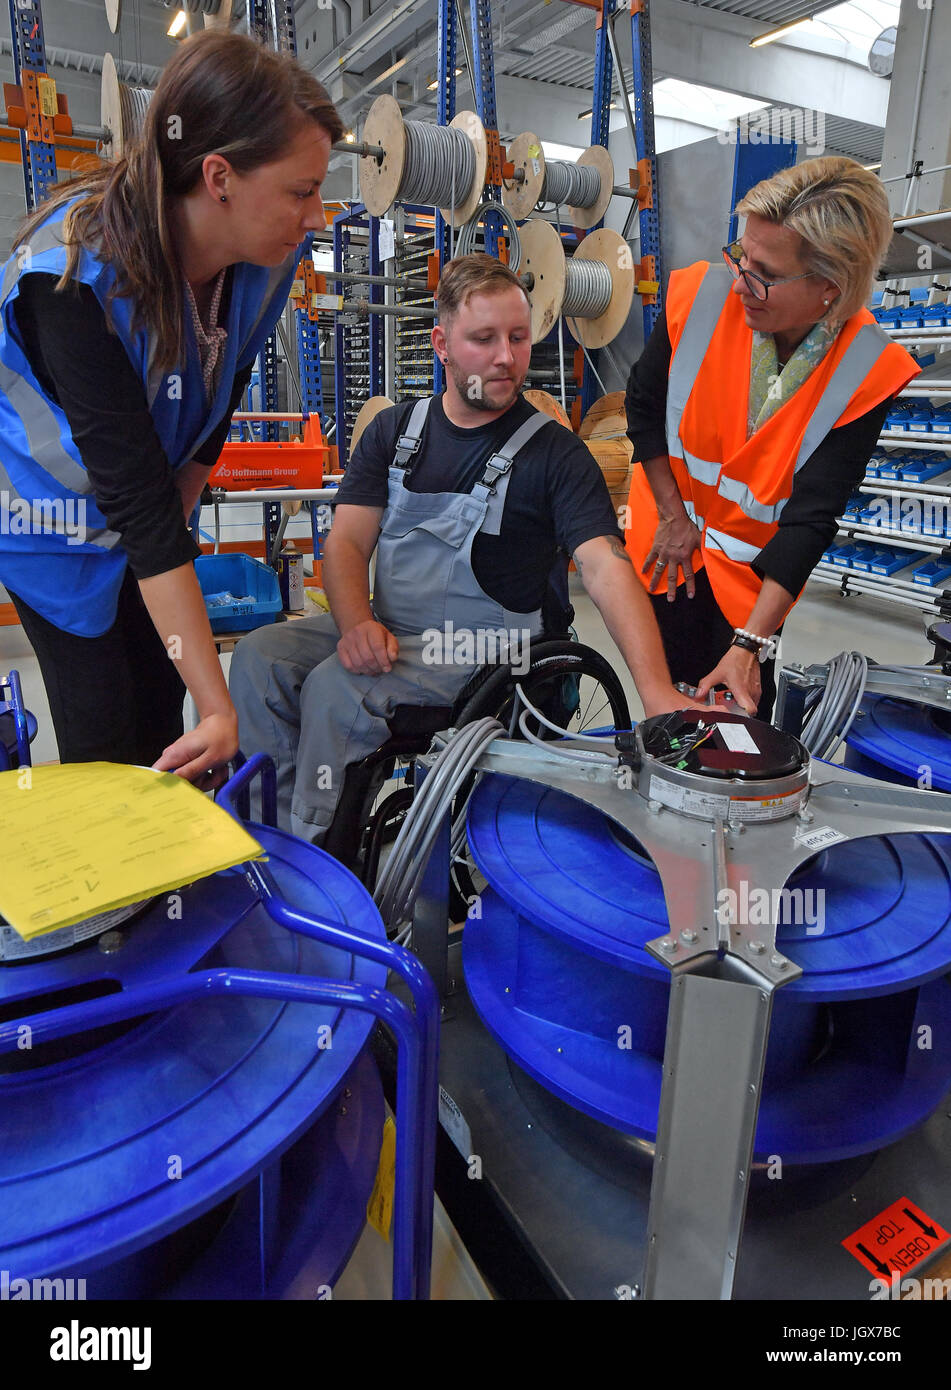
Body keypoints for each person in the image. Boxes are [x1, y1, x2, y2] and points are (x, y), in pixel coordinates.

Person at [230, 253, 693, 845]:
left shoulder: (555, 455)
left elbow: (604, 564)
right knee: (259, 657)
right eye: (484, 338)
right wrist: (355, 623)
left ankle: (321, 855)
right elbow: (345, 540)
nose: (507, 356)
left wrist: (654, 690)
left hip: (493, 653)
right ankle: (263, 833)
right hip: (397, 629)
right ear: (442, 343)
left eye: (519, 337)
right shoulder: (394, 433)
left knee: (336, 690)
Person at [0, 29, 340, 786]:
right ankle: (114, 898)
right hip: (48, 525)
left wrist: (188, 491)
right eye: (300, 190)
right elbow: (137, 507)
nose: (316, 215)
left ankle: (174, 890)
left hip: (142, 505)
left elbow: (226, 377)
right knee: (109, 738)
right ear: (219, 176)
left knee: (162, 707)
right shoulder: (73, 281)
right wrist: (217, 708)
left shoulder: (266, 259)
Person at [623, 156, 919, 718]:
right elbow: (642, 405)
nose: (741, 283)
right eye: (742, 257)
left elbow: (812, 517)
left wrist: (750, 644)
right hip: (666, 547)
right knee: (666, 707)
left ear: (829, 288)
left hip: (755, 582)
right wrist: (671, 516)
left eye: (765, 273)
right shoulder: (702, 299)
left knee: (737, 715)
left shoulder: (864, 369)